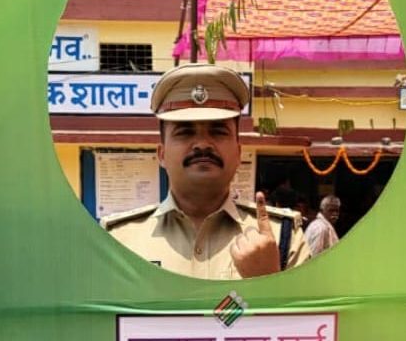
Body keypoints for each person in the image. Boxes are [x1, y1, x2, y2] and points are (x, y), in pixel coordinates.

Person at [101, 63, 310, 280]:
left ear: (238, 153)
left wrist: (268, 280)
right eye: (185, 132)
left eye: (218, 132)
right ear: (162, 154)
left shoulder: (283, 238)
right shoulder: (118, 240)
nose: (202, 144)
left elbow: (311, 303)